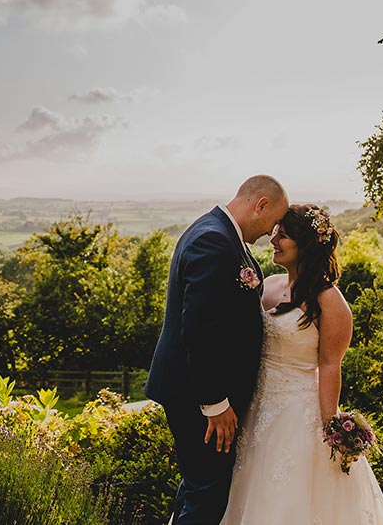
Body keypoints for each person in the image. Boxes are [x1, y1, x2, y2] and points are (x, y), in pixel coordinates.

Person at [220, 204, 383, 524]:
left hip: (298, 415)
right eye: (275, 232)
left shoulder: (330, 303)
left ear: (306, 247)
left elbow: (330, 365)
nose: (273, 240)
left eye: (282, 235)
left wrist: (332, 428)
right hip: (255, 406)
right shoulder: (268, 285)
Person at [145, 175, 289, 525]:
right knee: (207, 493)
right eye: (273, 223)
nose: (271, 233)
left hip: (202, 392)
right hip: (200, 397)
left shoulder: (222, 236)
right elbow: (199, 328)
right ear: (261, 205)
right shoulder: (213, 240)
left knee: (199, 485)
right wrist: (214, 403)